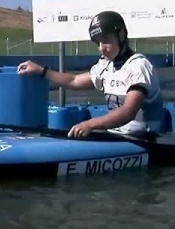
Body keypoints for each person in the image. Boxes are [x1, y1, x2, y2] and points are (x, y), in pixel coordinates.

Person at [17, 10, 166, 139]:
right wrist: (41, 71)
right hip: (116, 136)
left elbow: (128, 112)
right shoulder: (105, 65)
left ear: (121, 35)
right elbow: (74, 80)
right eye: (97, 43)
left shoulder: (139, 66)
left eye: (106, 40)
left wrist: (89, 124)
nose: (101, 48)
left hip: (144, 141)